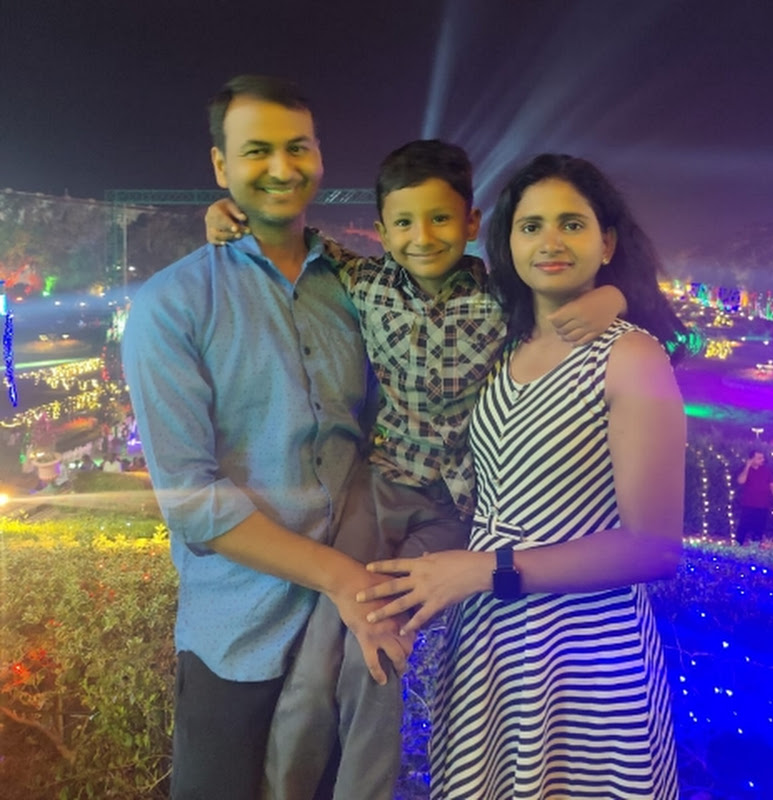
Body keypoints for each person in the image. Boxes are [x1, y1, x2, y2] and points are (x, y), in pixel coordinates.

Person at [206, 141, 628, 799]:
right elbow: (292, 243)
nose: (422, 237)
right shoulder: (365, 281)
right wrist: (224, 217)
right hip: (378, 487)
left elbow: (573, 301)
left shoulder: (503, 296)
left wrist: (611, 299)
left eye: (440, 219)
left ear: (471, 222)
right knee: (318, 658)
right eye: (403, 222)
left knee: (378, 651)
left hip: (454, 508)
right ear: (381, 231)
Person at [359, 153, 687, 799]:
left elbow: (653, 548)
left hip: (585, 651)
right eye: (531, 226)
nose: (550, 241)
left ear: (607, 242)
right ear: (506, 243)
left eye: (572, 224)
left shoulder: (630, 355)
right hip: (488, 644)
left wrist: (486, 570)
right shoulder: (501, 344)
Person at [121, 75, 413, 800]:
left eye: (297, 147)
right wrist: (340, 577)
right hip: (238, 638)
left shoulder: (361, 289)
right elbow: (193, 502)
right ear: (220, 166)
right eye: (256, 151)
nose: (281, 168)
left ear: (319, 156)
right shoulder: (173, 304)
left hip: (347, 639)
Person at [735, 448, 773, 545]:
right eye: (759, 458)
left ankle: (755, 547)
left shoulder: (766, 470)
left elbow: (772, 486)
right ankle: (738, 546)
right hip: (749, 504)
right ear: (752, 459)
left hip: (763, 505)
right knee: (743, 527)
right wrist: (747, 466)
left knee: (759, 529)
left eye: (762, 458)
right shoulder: (746, 469)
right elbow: (741, 481)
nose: (762, 460)